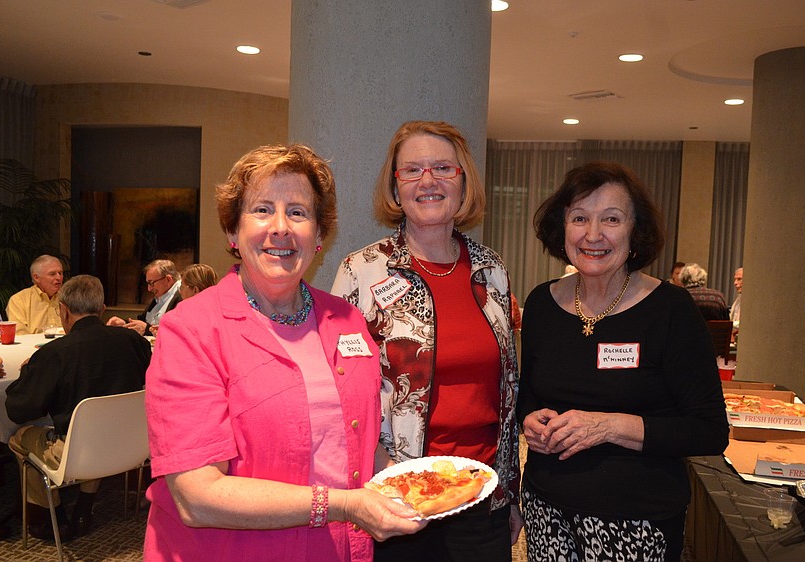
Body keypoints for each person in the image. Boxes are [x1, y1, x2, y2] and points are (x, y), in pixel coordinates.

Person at [143, 144, 424, 562]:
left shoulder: (346, 320)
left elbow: (355, 440)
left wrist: (408, 488)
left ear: (319, 236)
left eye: (298, 212)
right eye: (261, 210)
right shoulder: (191, 330)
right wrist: (345, 505)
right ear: (232, 233)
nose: (280, 227)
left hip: (338, 550)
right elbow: (197, 497)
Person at [518, 161, 729, 562]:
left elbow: (709, 431)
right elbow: (527, 391)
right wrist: (528, 416)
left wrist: (609, 426)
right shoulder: (542, 304)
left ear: (636, 232)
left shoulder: (671, 310)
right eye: (579, 218)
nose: (593, 235)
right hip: (547, 509)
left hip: (637, 520)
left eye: (611, 219)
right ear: (561, 228)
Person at [332, 120, 522, 562]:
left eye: (443, 168)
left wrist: (508, 491)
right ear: (396, 188)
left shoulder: (490, 271)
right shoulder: (363, 271)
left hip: (480, 490)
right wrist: (376, 471)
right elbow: (340, 384)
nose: (428, 180)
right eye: (412, 170)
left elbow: (507, 389)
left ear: (463, 182)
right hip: (398, 494)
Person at [6, 275, 151, 541]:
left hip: (77, 454)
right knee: (93, 428)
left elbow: (19, 410)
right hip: (133, 447)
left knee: (19, 436)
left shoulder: (55, 353)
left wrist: (28, 373)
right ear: (103, 308)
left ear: (63, 310)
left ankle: (52, 516)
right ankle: (84, 509)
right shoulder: (134, 342)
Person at [106, 259, 182, 336]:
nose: (149, 289)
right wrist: (124, 324)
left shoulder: (182, 297)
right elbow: (142, 323)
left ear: (168, 279)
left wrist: (147, 329)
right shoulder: (162, 294)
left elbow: (177, 332)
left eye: (151, 283)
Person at [5, 254, 64, 334]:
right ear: (36, 277)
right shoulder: (19, 300)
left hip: (66, 345)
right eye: (52, 274)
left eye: (60, 273)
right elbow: (20, 335)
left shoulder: (69, 298)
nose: (59, 278)